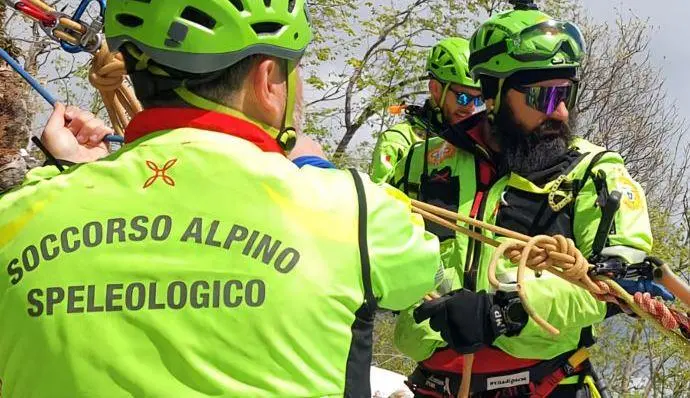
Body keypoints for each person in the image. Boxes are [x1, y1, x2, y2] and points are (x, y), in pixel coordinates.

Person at [0, 1, 522, 396]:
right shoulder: (350, 210)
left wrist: (64, 176)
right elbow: (419, 274)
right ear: (268, 79)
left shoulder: (19, 216)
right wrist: (314, 166)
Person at [399, 6, 672, 398]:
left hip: (545, 385)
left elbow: (619, 278)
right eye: (544, 96)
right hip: (435, 384)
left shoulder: (594, 172)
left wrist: (504, 312)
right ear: (492, 94)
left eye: (567, 94)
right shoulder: (421, 164)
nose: (560, 111)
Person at [370, 37, 485, 183]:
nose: (471, 107)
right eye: (463, 97)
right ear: (435, 89)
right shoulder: (398, 141)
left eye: (479, 99)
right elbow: (376, 198)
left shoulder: (478, 144)